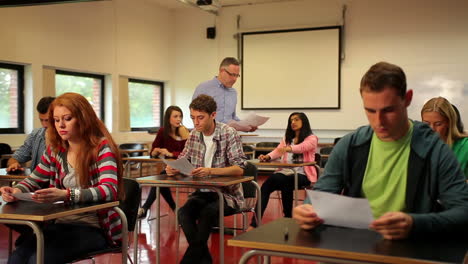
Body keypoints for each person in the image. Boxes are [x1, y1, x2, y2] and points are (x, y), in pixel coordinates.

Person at [293, 62, 468, 240]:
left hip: (410, 248)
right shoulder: (349, 145)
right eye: (370, 110)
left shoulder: (434, 150)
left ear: (407, 99)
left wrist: (415, 224)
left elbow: (463, 211)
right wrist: (308, 210)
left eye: (388, 110)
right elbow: (321, 195)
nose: (379, 122)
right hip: (356, 245)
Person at [0, 92, 124, 264]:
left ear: (83, 119)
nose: (61, 125)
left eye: (67, 118)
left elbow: (109, 190)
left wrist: (66, 194)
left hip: (94, 228)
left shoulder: (101, 148)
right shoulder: (56, 149)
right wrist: (16, 190)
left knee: (38, 259)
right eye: (56, 120)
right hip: (59, 224)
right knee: (16, 259)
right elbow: (34, 179)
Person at [166, 94, 245, 264]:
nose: (196, 123)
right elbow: (183, 158)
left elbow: (239, 169)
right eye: (193, 118)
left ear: (213, 115)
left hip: (226, 195)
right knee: (183, 213)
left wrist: (211, 171)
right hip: (202, 193)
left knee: (207, 212)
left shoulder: (228, 133)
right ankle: (205, 260)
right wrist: (173, 167)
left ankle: (188, 261)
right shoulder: (194, 135)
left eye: (200, 118)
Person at [249, 112, 318, 229]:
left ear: (304, 122)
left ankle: (287, 218)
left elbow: (302, 148)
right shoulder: (287, 138)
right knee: (266, 186)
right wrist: (268, 157)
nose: (293, 123)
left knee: (285, 180)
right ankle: (254, 223)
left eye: (296, 120)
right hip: (285, 173)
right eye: (291, 120)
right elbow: (278, 151)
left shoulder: (312, 138)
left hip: (303, 175)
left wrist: (288, 148)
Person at [137, 106, 190, 218]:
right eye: (175, 116)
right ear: (168, 118)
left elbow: (188, 152)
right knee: (161, 181)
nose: (179, 119)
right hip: (170, 169)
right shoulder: (162, 131)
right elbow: (153, 150)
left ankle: (145, 208)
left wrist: (171, 154)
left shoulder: (184, 131)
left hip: (184, 169)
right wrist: (155, 152)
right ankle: (175, 209)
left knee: (160, 179)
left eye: (180, 116)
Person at [192, 57, 257, 132]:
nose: (234, 79)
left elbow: (232, 118)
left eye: (237, 75)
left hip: (228, 137)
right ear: (221, 71)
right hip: (208, 137)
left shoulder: (233, 93)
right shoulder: (204, 88)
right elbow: (195, 114)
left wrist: (246, 126)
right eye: (232, 74)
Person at [421, 97, 468, 178]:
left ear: (449, 123)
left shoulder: (465, 147)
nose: (431, 129)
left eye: (438, 124)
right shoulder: (416, 146)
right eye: (426, 123)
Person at [7, 96, 55, 173]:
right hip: (36, 182)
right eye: (41, 120)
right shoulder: (35, 135)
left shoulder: (66, 137)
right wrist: (14, 164)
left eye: (47, 120)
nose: (44, 125)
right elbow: (15, 158)